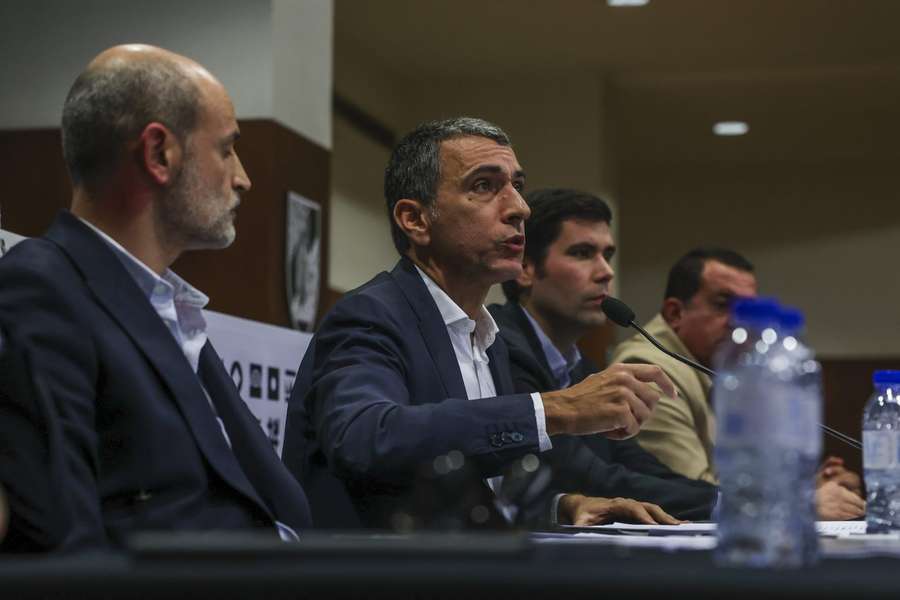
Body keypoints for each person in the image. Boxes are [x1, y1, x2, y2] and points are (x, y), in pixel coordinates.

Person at [283, 117, 677, 529]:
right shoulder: (370, 315)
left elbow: (470, 480)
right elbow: (367, 438)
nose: (520, 208)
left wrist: (562, 506)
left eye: (517, 186)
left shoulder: (489, 339)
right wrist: (555, 408)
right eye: (484, 186)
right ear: (415, 220)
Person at [0, 44, 310, 552]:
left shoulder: (169, 310)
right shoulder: (41, 290)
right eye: (227, 148)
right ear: (159, 154)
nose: (243, 178)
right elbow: (64, 550)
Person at [489, 188, 718, 521]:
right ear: (525, 268)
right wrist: (734, 507)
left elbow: (635, 464)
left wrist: (732, 502)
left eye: (606, 255)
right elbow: (588, 475)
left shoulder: (581, 366)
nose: (605, 272)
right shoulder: (500, 347)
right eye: (582, 253)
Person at [610, 247, 865, 519]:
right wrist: (800, 499)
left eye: (745, 309)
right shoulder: (650, 368)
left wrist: (810, 486)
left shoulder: (720, 367)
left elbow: (739, 476)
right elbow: (691, 488)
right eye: (722, 305)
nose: (738, 322)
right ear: (675, 313)